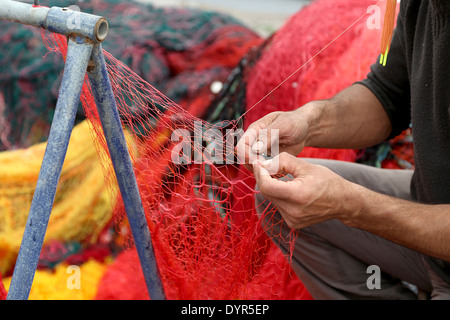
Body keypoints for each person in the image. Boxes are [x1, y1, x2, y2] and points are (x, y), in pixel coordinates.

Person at [237, 0, 450, 299]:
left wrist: (351, 206)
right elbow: (387, 95)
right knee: (279, 199)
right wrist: (307, 121)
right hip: (430, 223)